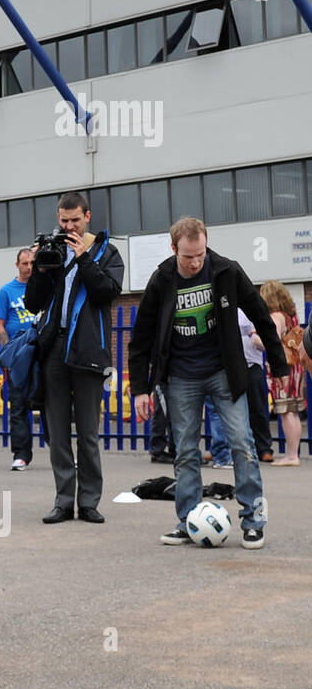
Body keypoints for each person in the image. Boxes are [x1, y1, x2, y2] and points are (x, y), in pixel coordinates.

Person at [130, 217, 286, 549]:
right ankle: (187, 521)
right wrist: (141, 389)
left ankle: (253, 521)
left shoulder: (226, 271)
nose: (196, 261)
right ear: (174, 250)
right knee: (186, 452)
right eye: (188, 256)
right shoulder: (162, 279)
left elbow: (260, 314)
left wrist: (279, 363)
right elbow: (141, 338)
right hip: (181, 377)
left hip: (223, 373)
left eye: (200, 253)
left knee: (242, 445)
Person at [24, 191, 123, 525]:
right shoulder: (53, 251)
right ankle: (63, 501)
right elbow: (33, 304)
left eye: (74, 220)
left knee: (88, 434)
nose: (68, 227)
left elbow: (107, 292)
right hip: (54, 350)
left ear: (88, 217)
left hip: (88, 352)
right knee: (57, 433)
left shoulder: (108, 252)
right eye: (63, 221)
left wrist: (83, 259)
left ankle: (90, 502)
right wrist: (39, 268)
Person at [0, 248, 37, 471]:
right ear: (17, 265)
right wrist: (8, 349)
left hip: (42, 353)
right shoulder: (7, 291)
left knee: (52, 404)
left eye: (32, 263)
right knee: (18, 406)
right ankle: (21, 455)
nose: (28, 267)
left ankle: (62, 452)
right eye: (24, 263)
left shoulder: (44, 287)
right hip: (18, 356)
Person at [256, 280, 304, 466]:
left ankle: (291, 455)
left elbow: (271, 340)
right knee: (293, 410)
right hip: (295, 366)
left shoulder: (276, 316)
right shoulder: (291, 315)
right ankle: (294, 453)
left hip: (282, 368)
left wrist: (255, 338)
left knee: (285, 411)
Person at [237, 308, 274, 463]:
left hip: (252, 364)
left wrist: (255, 336)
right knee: (231, 410)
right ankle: (226, 448)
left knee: (257, 409)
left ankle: (264, 448)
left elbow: (264, 340)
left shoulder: (252, 310)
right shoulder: (227, 307)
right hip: (232, 367)